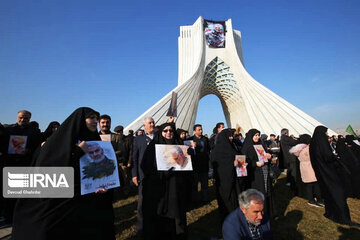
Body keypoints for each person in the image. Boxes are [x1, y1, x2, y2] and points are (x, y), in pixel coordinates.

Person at [12, 107, 115, 240]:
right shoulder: (59, 142)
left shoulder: (97, 142)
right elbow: (50, 166)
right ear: (80, 120)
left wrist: (104, 184)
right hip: (61, 203)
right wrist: (78, 151)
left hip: (87, 201)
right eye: (92, 118)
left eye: (97, 118)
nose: (96, 121)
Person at [141, 118, 192, 240]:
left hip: (176, 188)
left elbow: (187, 170)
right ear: (161, 132)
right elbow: (145, 166)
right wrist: (163, 171)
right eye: (165, 131)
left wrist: (188, 158)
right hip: (160, 188)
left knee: (177, 214)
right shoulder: (153, 147)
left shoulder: (179, 146)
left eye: (171, 131)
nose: (168, 133)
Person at [2, 110, 42, 225]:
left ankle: (20, 216)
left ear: (29, 119)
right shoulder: (9, 130)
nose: (23, 120)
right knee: (7, 192)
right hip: (9, 163)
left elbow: (37, 147)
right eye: (21, 118)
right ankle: (8, 216)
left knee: (23, 192)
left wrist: (29, 151)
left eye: (26, 118)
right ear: (17, 117)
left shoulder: (34, 132)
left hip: (25, 164)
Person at [309, 126, 352, 225]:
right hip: (329, 173)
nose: (327, 135)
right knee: (338, 194)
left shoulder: (313, 143)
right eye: (326, 133)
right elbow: (327, 156)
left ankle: (331, 213)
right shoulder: (322, 142)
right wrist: (335, 158)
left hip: (321, 173)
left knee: (328, 194)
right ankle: (342, 217)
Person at [131, 117, 155, 235]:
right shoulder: (138, 139)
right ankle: (141, 228)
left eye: (153, 122)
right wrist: (134, 174)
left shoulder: (159, 137)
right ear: (144, 125)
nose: (152, 124)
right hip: (143, 175)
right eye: (149, 123)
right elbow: (134, 158)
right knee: (142, 202)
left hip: (157, 175)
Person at [241, 129, 273, 216]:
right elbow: (244, 161)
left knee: (265, 191)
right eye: (255, 135)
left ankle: (266, 210)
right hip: (254, 175)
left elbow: (264, 155)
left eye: (258, 135)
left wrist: (269, 156)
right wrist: (255, 163)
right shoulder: (247, 147)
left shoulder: (260, 145)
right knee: (257, 193)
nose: (257, 137)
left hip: (264, 172)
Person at [211, 129, 239, 223]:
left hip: (233, 178)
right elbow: (217, 165)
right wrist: (232, 164)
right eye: (229, 136)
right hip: (223, 180)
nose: (231, 137)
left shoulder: (231, 146)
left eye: (232, 136)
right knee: (226, 200)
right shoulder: (217, 150)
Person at [289, 134, 323, 207]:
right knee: (316, 184)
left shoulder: (298, 149)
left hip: (304, 167)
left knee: (309, 184)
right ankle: (317, 199)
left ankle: (311, 199)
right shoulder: (308, 148)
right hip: (311, 167)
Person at [188, 124, 210, 205]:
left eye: (201, 129)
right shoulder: (190, 140)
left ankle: (205, 199)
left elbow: (208, 149)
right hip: (195, 165)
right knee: (194, 184)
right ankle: (195, 200)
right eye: (199, 130)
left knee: (204, 184)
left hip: (204, 165)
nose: (201, 131)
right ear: (194, 131)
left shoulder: (205, 139)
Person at [279, 128, 299, 193]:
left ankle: (288, 182)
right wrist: (293, 138)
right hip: (291, 157)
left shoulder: (282, 138)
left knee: (289, 170)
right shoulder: (286, 138)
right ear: (286, 133)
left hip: (287, 157)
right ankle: (293, 186)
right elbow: (295, 142)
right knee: (293, 172)